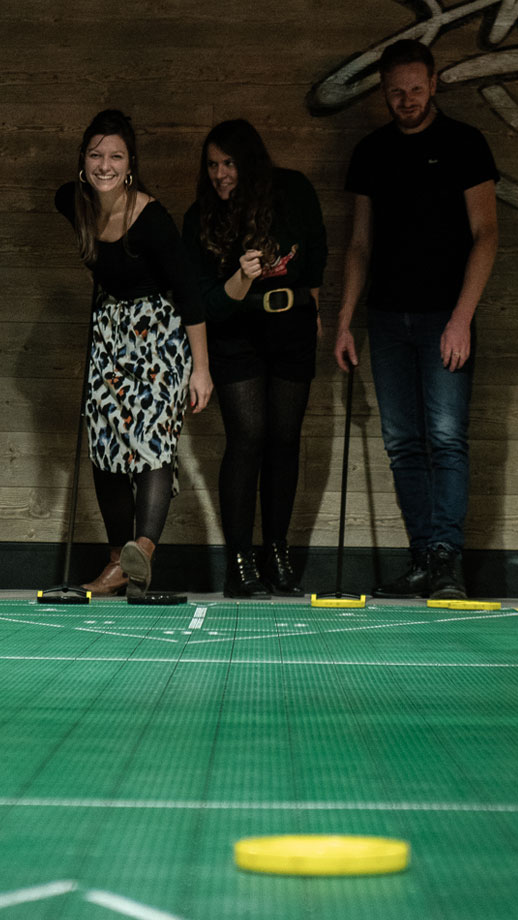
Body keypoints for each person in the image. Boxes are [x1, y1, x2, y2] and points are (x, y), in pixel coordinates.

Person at [334, 39, 499, 600]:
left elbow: (487, 235)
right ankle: (422, 557)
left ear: (435, 82)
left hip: (444, 319)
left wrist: (462, 318)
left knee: (448, 440)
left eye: (415, 88)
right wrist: (344, 322)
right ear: (384, 92)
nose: (406, 99)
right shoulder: (371, 151)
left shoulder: (464, 144)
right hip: (385, 318)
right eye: (396, 92)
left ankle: (448, 561)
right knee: (403, 442)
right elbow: (358, 246)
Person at [55, 109, 213, 598]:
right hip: (109, 334)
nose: (105, 164)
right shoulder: (72, 201)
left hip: (159, 335)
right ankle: (116, 562)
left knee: (150, 445)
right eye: (96, 154)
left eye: (116, 156)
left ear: (131, 165)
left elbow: (191, 294)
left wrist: (201, 370)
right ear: (83, 161)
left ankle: (141, 552)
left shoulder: (152, 219)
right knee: (105, 446)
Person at [183, 120, 327, 598]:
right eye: (212, 165)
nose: (221, 174)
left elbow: (317, 255)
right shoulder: (200, 216)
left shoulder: (292, 190)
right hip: (235, 333)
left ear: (250, 161)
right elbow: (203, 301)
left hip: (291, 327)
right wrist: (241, 279)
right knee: (248, 437)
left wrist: (316, 308)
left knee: (285, 440)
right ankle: (240, 560)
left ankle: (277, 553)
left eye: (229, 163)